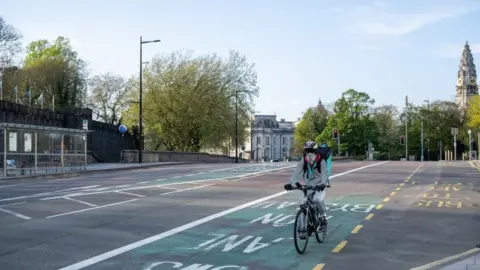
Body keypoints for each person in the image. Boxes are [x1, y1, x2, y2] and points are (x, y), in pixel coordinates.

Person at [284, 141, 328, 239]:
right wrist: (292, 183)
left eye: (311, 151)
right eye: (307, 151)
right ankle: (303, 230)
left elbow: (325, 174)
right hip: (308, 186)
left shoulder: (321, 161)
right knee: (304, 206)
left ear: (315, 151)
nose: (309, 153)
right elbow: (296, 172)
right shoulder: (304, 161)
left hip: (320, 185)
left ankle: (323, 217)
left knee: (317, 200)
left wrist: (323, 184)